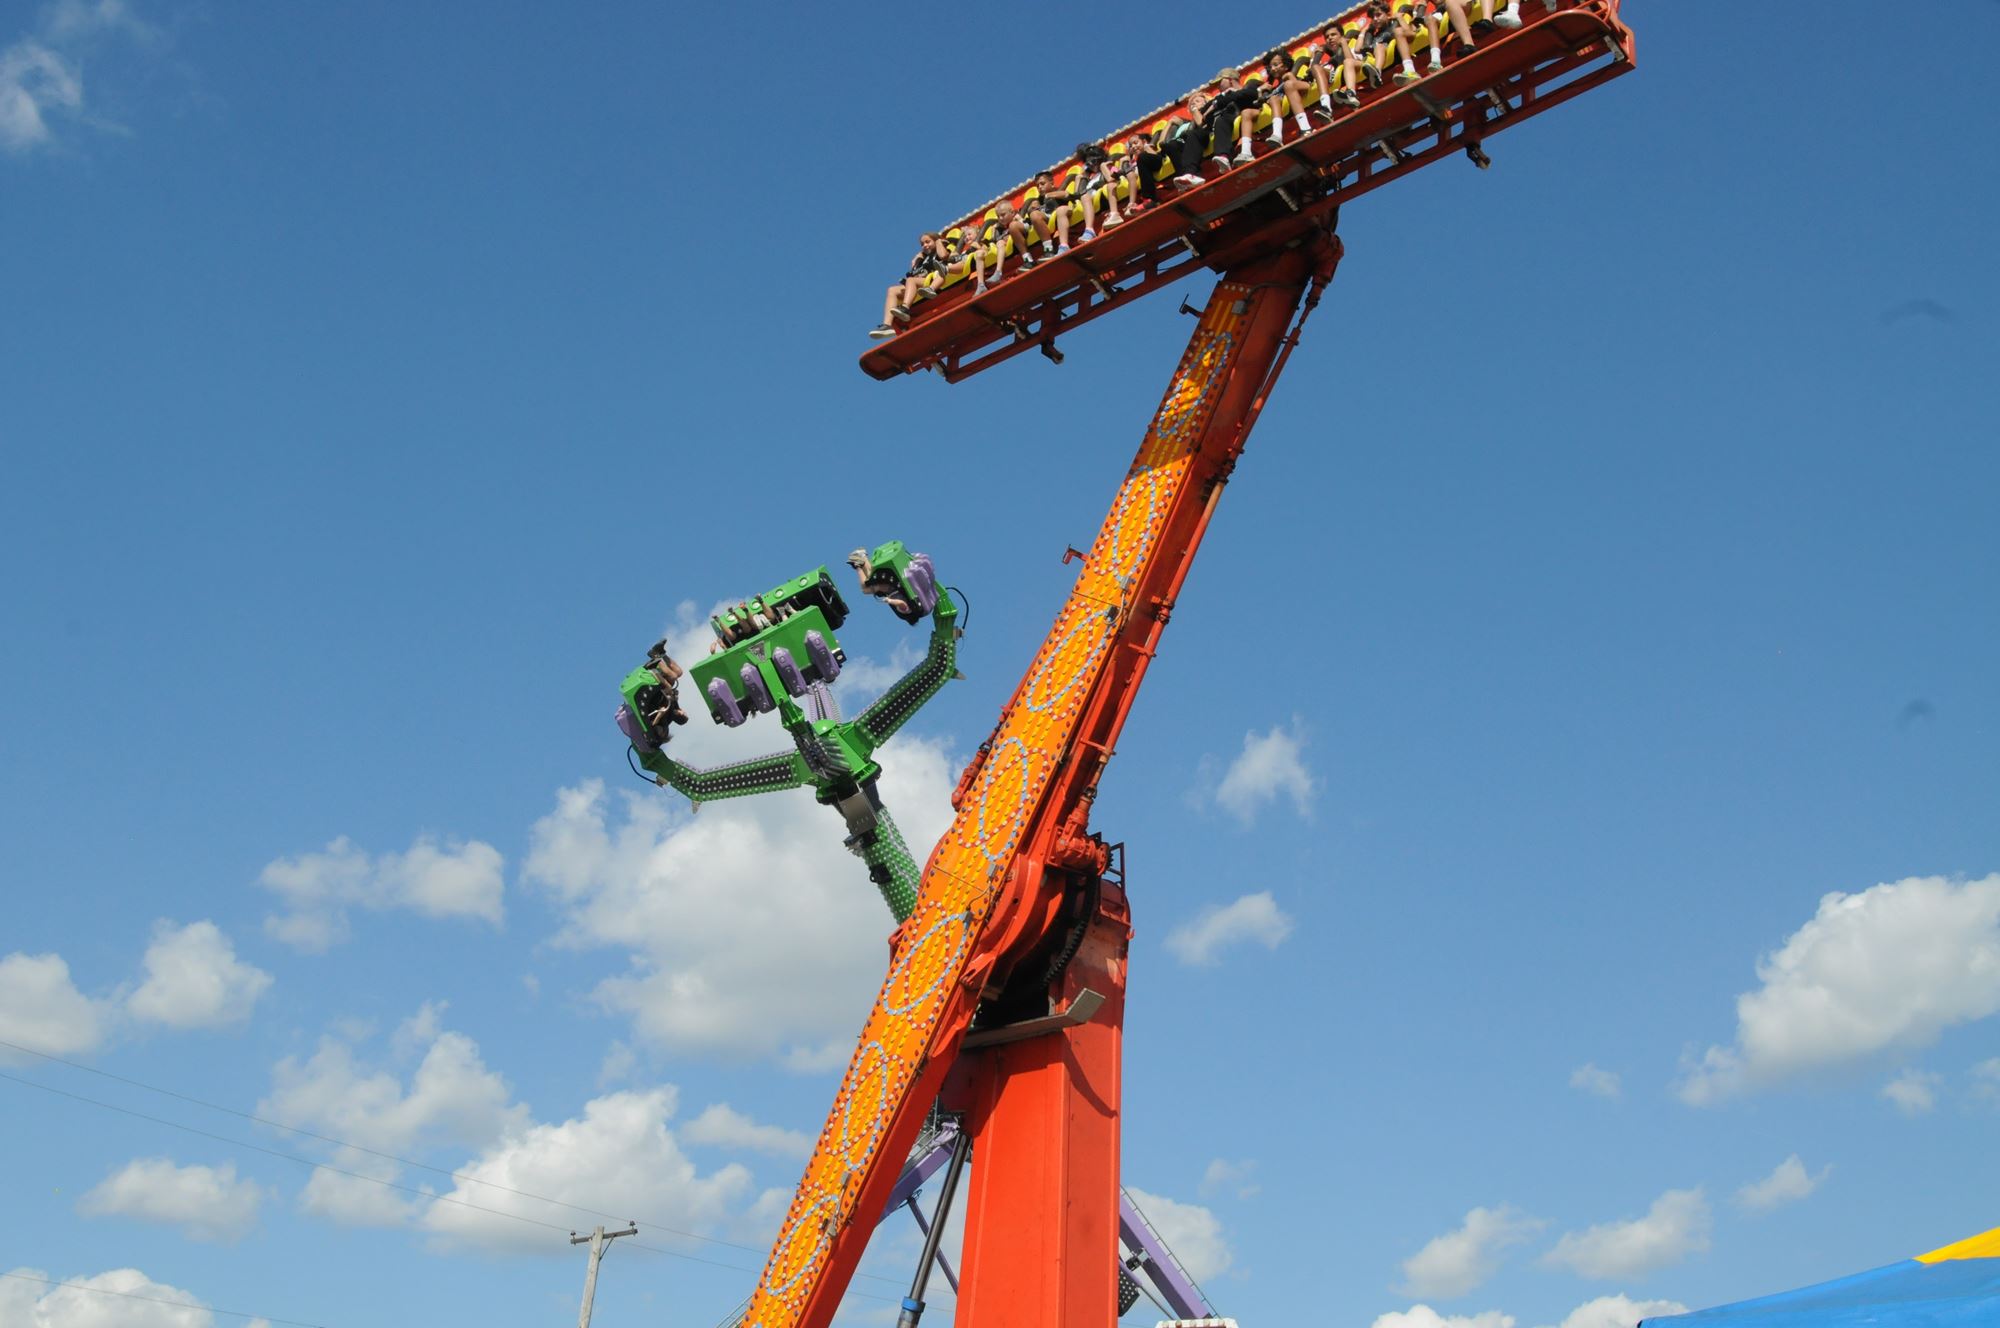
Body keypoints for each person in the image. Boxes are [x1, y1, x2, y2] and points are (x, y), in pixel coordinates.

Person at [871, 232, 946, 339]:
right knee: (892, 290)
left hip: (936, 280)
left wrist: (939, 242)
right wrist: (916, 261)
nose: (924, 245)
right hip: (920, 283)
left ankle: (905, 308)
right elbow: (913, 273)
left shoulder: (942, 247)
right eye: (922, 244)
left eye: (927, 242)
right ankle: (887, 325)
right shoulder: (924, 258)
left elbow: (944, 256)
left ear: (935, 240)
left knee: (911, 281)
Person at [1201, 69, 1268, 167]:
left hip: (1252, 117)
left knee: (1222, 119)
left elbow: (1250, 94)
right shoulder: (1222, 97)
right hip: (1231, 124)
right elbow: (1204, 111)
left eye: (1220, 82)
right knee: (1221, 120)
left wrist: (1228, 97)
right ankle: (1224, 157)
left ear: (1230, 80)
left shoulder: (1251, 85)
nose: (1218, 86)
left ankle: (1229, 155)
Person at [1256, 48, 1315, 147]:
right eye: (1270, 67)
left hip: (1303, 88)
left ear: (1286, 66)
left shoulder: (1290, 75)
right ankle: (1277, 135)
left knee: (1288, 85)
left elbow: (1295, 84)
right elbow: (1261, 104)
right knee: (1273, 99)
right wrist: (1260, 91)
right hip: (1284, 100)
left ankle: (1305, 128)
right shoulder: (1274, 89)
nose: (1273, 69)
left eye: (1275, 65)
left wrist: (1289, 76)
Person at [846, 549, 914, 620]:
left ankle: (863, 556)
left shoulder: (912, 604)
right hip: (890, 589)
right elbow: (902, 603)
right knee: (865, 590)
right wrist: (889, 601)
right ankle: (858, 566)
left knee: (871, 577)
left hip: (892, 587)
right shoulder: (906, 611)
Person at [1073, 142, 1124, 237]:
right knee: (1084, 197)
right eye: (1088, 161)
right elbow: (1077, 194)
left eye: (1093, 159)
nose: (1091, 163)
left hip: (1105, 197)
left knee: (1086, 197)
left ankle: (1091, 229)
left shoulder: (1108, 167)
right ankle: (1089, 230)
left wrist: (1103, 167)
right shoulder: (1091, 178)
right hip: (1091, 202)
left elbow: (1112, 179)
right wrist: (1081, 178)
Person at [1023, 170, 1077, 256]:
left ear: (1051, 183)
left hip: (1060, 215)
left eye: (1042, 184)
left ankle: (1064, 246)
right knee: (1034, 214)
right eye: (1038, 186)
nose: (1040, 187)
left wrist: (1050, 195)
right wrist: (1031, 209)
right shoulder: (1038, 200)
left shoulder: (1057, 191)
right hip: (1046, 220)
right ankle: (1048, 248)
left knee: (1060, 210)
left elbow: (1067, 195)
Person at [1312, 24, 1363, 109]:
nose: (1330, 38)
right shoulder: (1328, 63)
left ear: (1341, 36)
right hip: (1336, 83)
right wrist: (1315, 57)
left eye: (1333, 34)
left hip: (1357, 70)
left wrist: (1344, 44)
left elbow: (1350, 61)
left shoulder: (1353, 48)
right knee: (1317, 68)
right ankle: (1326, 106)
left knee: (1347, 62)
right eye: (1327, 37)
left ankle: (1351, 94)